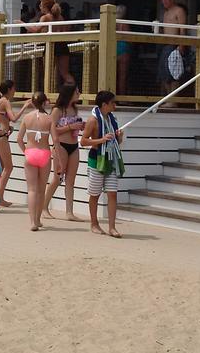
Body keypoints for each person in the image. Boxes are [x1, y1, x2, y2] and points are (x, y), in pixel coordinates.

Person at [80, 90, 125, 237]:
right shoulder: (93, 120)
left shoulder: (112, 119)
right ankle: (94, 223)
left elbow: (115, 142)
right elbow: (83, 141)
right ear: (104, 104)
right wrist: (101, 140)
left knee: (112, 193)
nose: (115, 105)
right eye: (112, 103)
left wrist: (119, 138)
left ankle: (112, 227)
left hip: (110, 159)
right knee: (95, 193)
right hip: (96, 159)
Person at [43, 83, 84, 221]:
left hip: (74, 145)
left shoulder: (74, 109)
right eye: (76, 91)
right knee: (57, 178)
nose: (78, 94)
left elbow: (73, 127)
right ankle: (44, 207)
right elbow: (52, 129)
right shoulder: (58, 110)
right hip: (61, 145)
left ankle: (69, 212)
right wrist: (70, 126)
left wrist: (79, 127)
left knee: (70, 180)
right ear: (69, 93)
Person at [16, 92, 53, 231]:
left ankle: (32, 222)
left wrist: (26, 151)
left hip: (30, 153)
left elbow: (19, 138)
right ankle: (38, 219)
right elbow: (55, 140)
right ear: (44, 103)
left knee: (31, 189)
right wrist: (60, 161)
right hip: (44, 153)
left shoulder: (27, 117)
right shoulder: (49, 119)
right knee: (41, 189)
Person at [0, 80, 32, 207]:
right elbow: (14, 118)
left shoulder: (1, 101)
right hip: (1, 137)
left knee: (2, 168)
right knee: (8, 167)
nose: (15, 91)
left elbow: (2, 119)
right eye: (14, 88)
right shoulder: (5, 101)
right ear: (9, 89)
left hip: (1, 136)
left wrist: (8, 127)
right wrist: (25, 106)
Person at [30, 0, 74, 87]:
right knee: (65, 74)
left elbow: (35, 30)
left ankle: (48, 96)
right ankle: (73, 92)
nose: (40, 7)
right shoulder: (60, 17)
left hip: (51, 46)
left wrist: (22, 24)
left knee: (48, 74)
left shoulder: (45, 18)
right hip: (62, 46)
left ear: (45, 7)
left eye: (41, 5)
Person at [158, 0, 190, 95]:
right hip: (165, 45)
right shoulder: (166, 13)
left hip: (175, 45)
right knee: (164, 72)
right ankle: (168, 97)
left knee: (174, 72)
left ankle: (174, 99)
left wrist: (181, 45)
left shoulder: (179, 11)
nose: (164, 2)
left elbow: (183, 29)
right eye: (163, 0)